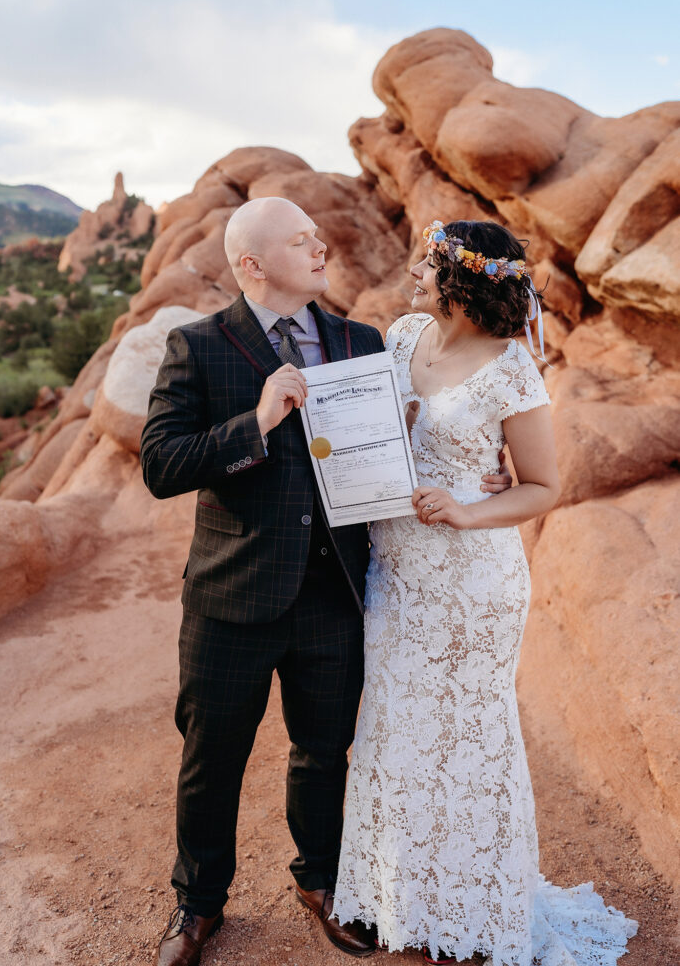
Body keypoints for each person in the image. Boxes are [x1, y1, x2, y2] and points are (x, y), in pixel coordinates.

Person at [140, 197, 514, 966]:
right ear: (252, 264)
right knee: (212, 758)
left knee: (323, 750)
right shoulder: (197, 346)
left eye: (318, 235)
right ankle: (197, 905)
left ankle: (321, 885)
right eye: (301, 240)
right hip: (232, 597)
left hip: (337, 591)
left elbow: (400, 439)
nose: (320, 247)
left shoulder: (361, 340)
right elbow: (161, 465)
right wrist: (257, 422)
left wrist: (482, 470)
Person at [333, 220, 638, 966]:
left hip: (471, 584)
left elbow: (541, 486)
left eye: (430, 268)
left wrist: (470, 509)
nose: (416, 276)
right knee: (395, 731)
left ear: (463, 283)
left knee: (467, 741)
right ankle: (399, 899)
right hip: (395, 569)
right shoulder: (403, 336)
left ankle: (474, 912)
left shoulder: (511, 372)